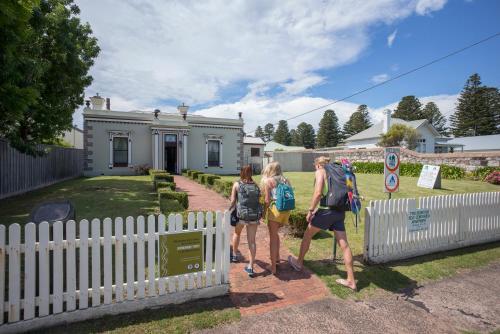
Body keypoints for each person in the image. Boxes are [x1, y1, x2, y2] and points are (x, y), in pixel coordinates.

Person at [288, 156, 357, 291]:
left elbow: (318, 193)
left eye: (315, 167)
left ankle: (298, 263)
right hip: (339, 211)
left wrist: (310, 210)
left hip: (325, 212)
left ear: (318, 165)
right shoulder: (340, 171)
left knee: (307, 235)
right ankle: (351, 280)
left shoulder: (321, 171)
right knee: (344, 245)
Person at [229, 165, 261, 277]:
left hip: (242, 216)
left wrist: (228, 211)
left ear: (241, 172)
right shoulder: (256, 185)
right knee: (252, 241)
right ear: (251, 173)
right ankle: (251, 266)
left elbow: (233, 201)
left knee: (237, 233)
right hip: (254, 216)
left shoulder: (237, 184)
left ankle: (234, 255)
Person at [261, 161, 291, 275]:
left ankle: (273, 267)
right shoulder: (286, 179)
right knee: (276, 234)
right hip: (286, 210)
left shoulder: (269, 181)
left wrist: (263, 213)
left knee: (272, 239)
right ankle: (277, 258)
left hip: (275, 210)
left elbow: (267, 200)